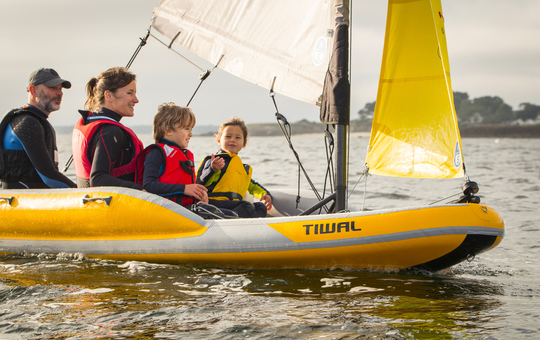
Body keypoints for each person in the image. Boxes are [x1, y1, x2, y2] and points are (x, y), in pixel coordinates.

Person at [0, 68, 76, 189]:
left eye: (60, 89)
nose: (60, 93)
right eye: (53, 88)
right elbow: (49, 176)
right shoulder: (27, 123)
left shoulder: (40, 122)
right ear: (33, 90)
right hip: (21, 204)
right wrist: (82, 194)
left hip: (36, 200)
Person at [72, 67, 144, 189]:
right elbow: (97, 178)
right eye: (129, 93)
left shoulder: (92, 123)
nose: (136, 100)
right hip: (111, 205)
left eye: (135, 93)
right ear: (109, 96)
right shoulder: (110, 131)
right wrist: (142, 191)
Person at [197, 117, 272, 218]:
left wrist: (265, 194)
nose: (232, 140)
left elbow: (252, 185)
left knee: (260, 207)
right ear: (219, 140)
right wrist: (212, 169)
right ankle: (235, 219)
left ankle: (253, 226)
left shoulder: (242, 169)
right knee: (245, 206)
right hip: (213, 204)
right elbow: (200, 182)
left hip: (233, 206)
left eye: (237, 137)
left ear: (244, 143)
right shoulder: (215, 161)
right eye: (228, 136)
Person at [135, 103, 208, 205]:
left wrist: (200, 194)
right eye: (187, 129)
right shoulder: (156, 153)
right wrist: (184, 189)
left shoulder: (185, 155)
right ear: (168, 130)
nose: (191, 134)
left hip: (187, 209)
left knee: (229, 213)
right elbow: (149, 185)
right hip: (166, 210)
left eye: (191, 129)